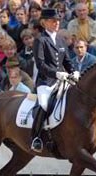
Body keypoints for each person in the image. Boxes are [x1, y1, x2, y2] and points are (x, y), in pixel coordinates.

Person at [31, 8, 78, 153]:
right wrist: (56, 74)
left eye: (57, 21)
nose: (56, 23)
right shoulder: (40, 40)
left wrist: (74, 71)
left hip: (62, 81)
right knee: (44, 105)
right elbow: (41, 64)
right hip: (46, 82)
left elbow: (67, 61)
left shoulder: (61, 40)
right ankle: (36, 138)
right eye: (53, 21)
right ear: (44, 23)